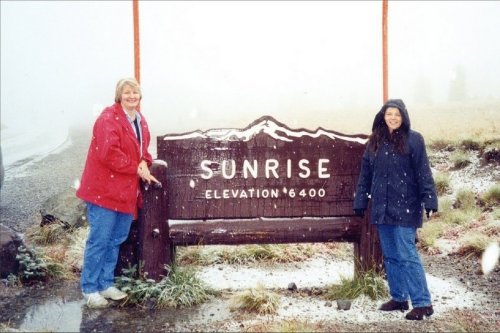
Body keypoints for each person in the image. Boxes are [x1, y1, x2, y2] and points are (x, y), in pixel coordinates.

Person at [76, 78, 159, 308]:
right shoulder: (107, 119)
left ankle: (105, 283)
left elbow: (144, 151)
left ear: (140, 96)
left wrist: (144, 161)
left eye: (135, 92)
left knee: (115, 240)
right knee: (99, 240)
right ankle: (89, 288)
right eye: (127, 93)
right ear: (118, 96)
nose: (132, 96)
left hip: (124, 193)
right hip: (103, 191)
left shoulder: (140, 121)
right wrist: (136, 167)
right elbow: (108, 153)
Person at [353, 99, 438, 320]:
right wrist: (361, 200)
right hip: (381, 207)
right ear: (383, 116)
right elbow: (366, 174)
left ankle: (423, 303)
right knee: (390, 256)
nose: (393, 118)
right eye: (389, 114)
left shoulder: (414, 140)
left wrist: (429, 199)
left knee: (407, 255)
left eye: (397, 114)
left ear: (404, 117)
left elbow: (423, 172)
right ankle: (399, 297)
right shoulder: (375, 142)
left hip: (406, 208)